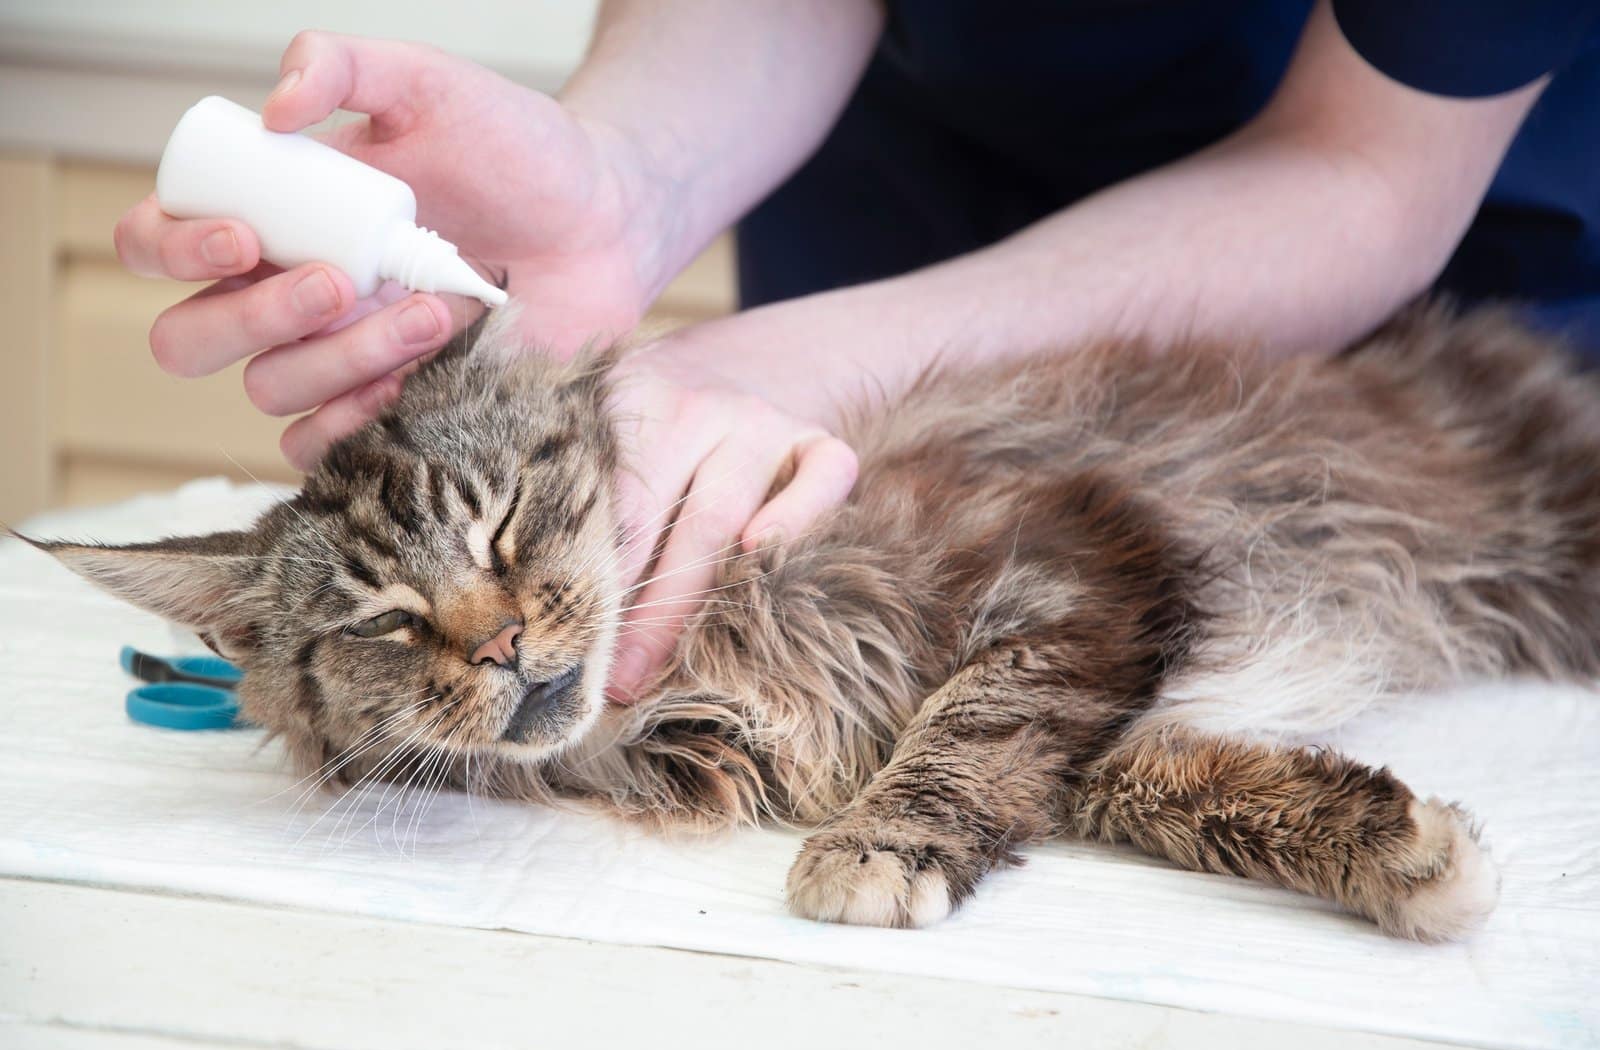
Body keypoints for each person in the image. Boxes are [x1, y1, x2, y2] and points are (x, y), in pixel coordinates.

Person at [113, 0, 1600, 698]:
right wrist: (624, 185)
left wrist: (817, 362)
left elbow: (1363, 166)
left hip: (1411, 368)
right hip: (894, 207)